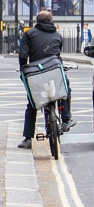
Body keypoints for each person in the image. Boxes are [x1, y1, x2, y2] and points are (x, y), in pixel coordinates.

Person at [17, 10, 74, 149]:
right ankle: (66, 118)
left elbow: (23, 55)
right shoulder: (57, 35)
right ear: (51, 20)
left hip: (36, 72)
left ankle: (28, 139)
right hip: (54, 70)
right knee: (64, 88)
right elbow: (57, 54)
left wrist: (24, 69)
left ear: (37, 20)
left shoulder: (29, 34)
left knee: (32, 104)